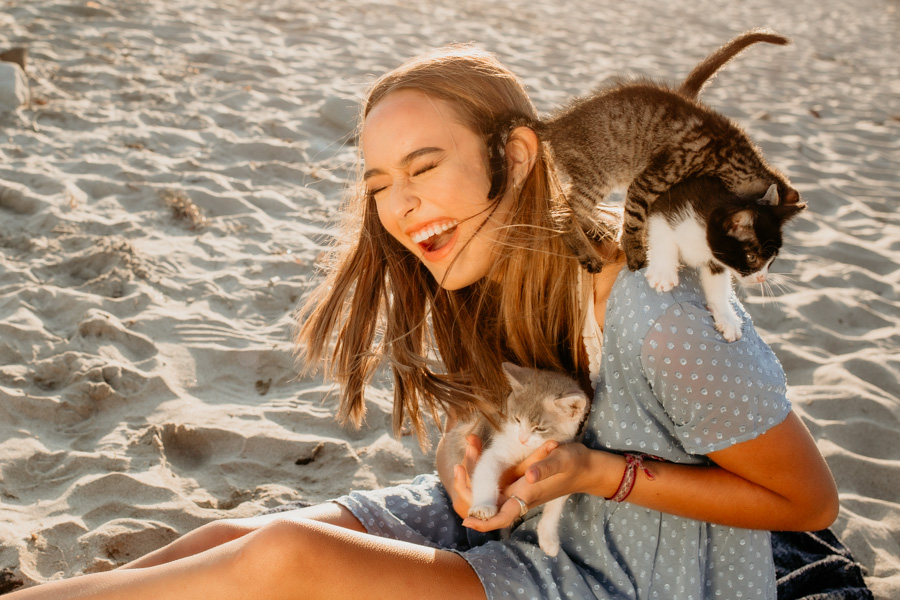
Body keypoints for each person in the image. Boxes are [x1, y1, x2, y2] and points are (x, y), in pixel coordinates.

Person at [8, 44, 838, 600]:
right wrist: (461, 456)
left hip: (630, 580)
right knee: (238, 533)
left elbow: (806, 502)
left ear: (513, 158)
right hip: (545, 529)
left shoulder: (659, 320)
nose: (399, 207)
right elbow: (475, 420)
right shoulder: (493, 273)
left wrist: (594, 474)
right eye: (376, 183)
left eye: (424, 167)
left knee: (282, 560)